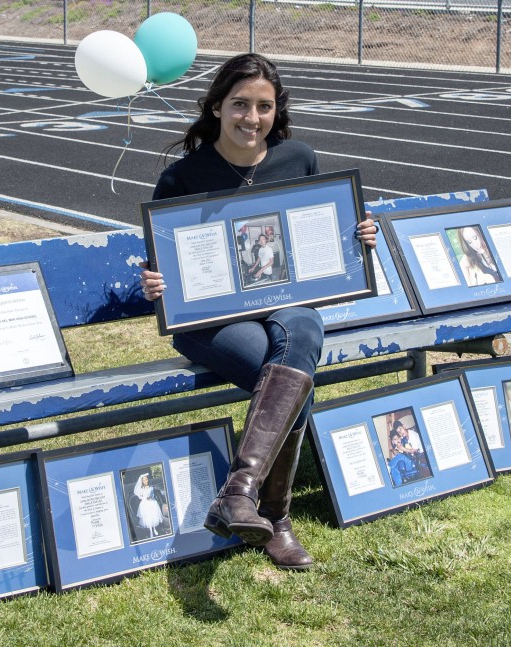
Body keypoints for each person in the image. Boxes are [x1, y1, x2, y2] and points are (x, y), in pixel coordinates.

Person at [140, 53, 378, 570]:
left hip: (285, 306)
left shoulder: (299, 158)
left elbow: (320, 234)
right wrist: (155, 282)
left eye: (263, 107)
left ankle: (241, 493)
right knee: (294, 381)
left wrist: (355, 237)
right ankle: (276, 517)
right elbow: (163, 265)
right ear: (217, 107)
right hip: (211, 321)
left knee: (306, 324)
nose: (252, 118)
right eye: (240, 105)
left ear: (277, 110)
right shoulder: (184, 177)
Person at [132, 474, 165, 538]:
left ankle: (154, 528)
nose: (146, 481)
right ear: (142, 481)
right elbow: (140, 497)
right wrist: (143, 497)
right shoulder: (141, 489)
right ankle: (150, 531)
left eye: (146, 479)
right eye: (144, 480)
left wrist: (150, 497)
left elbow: (152, 495)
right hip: (145, 504)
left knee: (153, 516)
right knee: (147, 517)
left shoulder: (151, 487)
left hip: (152, 503)